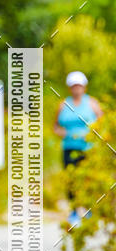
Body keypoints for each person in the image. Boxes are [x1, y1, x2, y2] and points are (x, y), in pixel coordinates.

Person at [53, 71, 102, 227]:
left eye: (79, 86)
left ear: (84, 87)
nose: (77, 89)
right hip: (69, 147)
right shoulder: (63, 105)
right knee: (71, 180)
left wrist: (93, 134)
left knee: (88, 179)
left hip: (88, 149)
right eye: (74, 86)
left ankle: (89, 209)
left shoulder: (92, 103)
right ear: (70, 88)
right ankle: (74, 210)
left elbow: (103, 124)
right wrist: (64, 133)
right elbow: (55, 127)